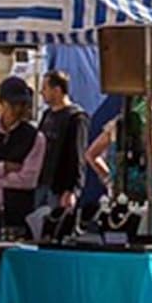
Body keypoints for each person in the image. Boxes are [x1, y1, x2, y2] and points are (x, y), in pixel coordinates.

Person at [0, 77, 46, 240]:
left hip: (17, 215)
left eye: (23, 105)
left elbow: (28, 180)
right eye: (13, 104)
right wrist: (3, 167)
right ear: (1, 103)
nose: (18, 109)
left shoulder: (35, 137)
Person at [86, 97, 152, 204]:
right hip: (144, 188)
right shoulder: (149, 126)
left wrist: (109, 178)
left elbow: (91, 154)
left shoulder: (116, 125)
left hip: (119, 188)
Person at [36, 71, 89, 213]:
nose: (41, 92)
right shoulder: (47, 115)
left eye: (45, 88)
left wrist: (72, 189)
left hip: (60, 187)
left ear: (57, 90)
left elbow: (78, 155)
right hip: (42, 183)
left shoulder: (76, 118)